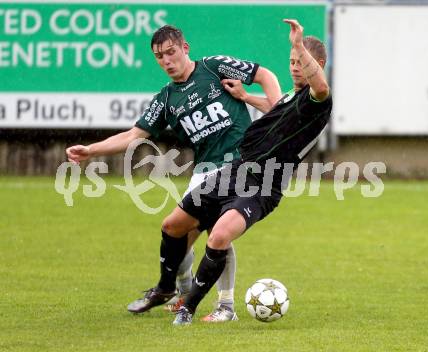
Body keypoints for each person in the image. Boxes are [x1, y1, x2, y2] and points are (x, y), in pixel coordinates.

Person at [65, 25, 281, 322]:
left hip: (239, 166)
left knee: (219, 234)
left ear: (185, 48)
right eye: (159, 57)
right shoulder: (166, 99)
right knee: (177, 239)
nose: (167, 60)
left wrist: (279, 110)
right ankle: (182, 290)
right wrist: (91, 151)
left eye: (171, 52)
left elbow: (264, 75)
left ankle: (225, 306)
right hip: (204, 172)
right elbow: (133, 136)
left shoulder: (213, 67)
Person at [140, 18, 333, 325]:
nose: (295, 67)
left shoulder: (317, 101)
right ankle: (168, 288)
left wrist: (297, 43)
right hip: (236, 170)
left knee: (218, 237)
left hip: (263, 185)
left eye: (301, 62)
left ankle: (198, 307)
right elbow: (276, 109)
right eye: (292, 61)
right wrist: (245, 97)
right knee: (173, 225)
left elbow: (320, 86)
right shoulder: (289, 99)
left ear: (317, 63)